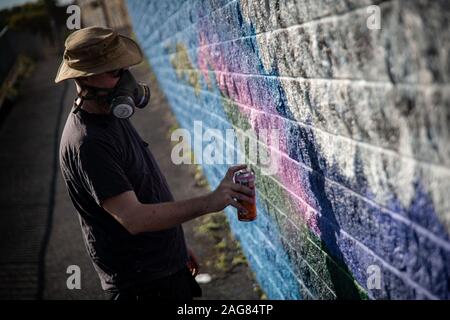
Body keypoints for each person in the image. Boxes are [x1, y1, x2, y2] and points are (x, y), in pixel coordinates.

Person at [55, 27, 254, 300]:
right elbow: (134, 219)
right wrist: (211, 201)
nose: (127, 79)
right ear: (86, 79)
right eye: (115, 72)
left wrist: (175, 248)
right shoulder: (88, 143)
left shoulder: (110, 115)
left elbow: (144, 189)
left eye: (125, 69)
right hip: (143, 288)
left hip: (163, 270)